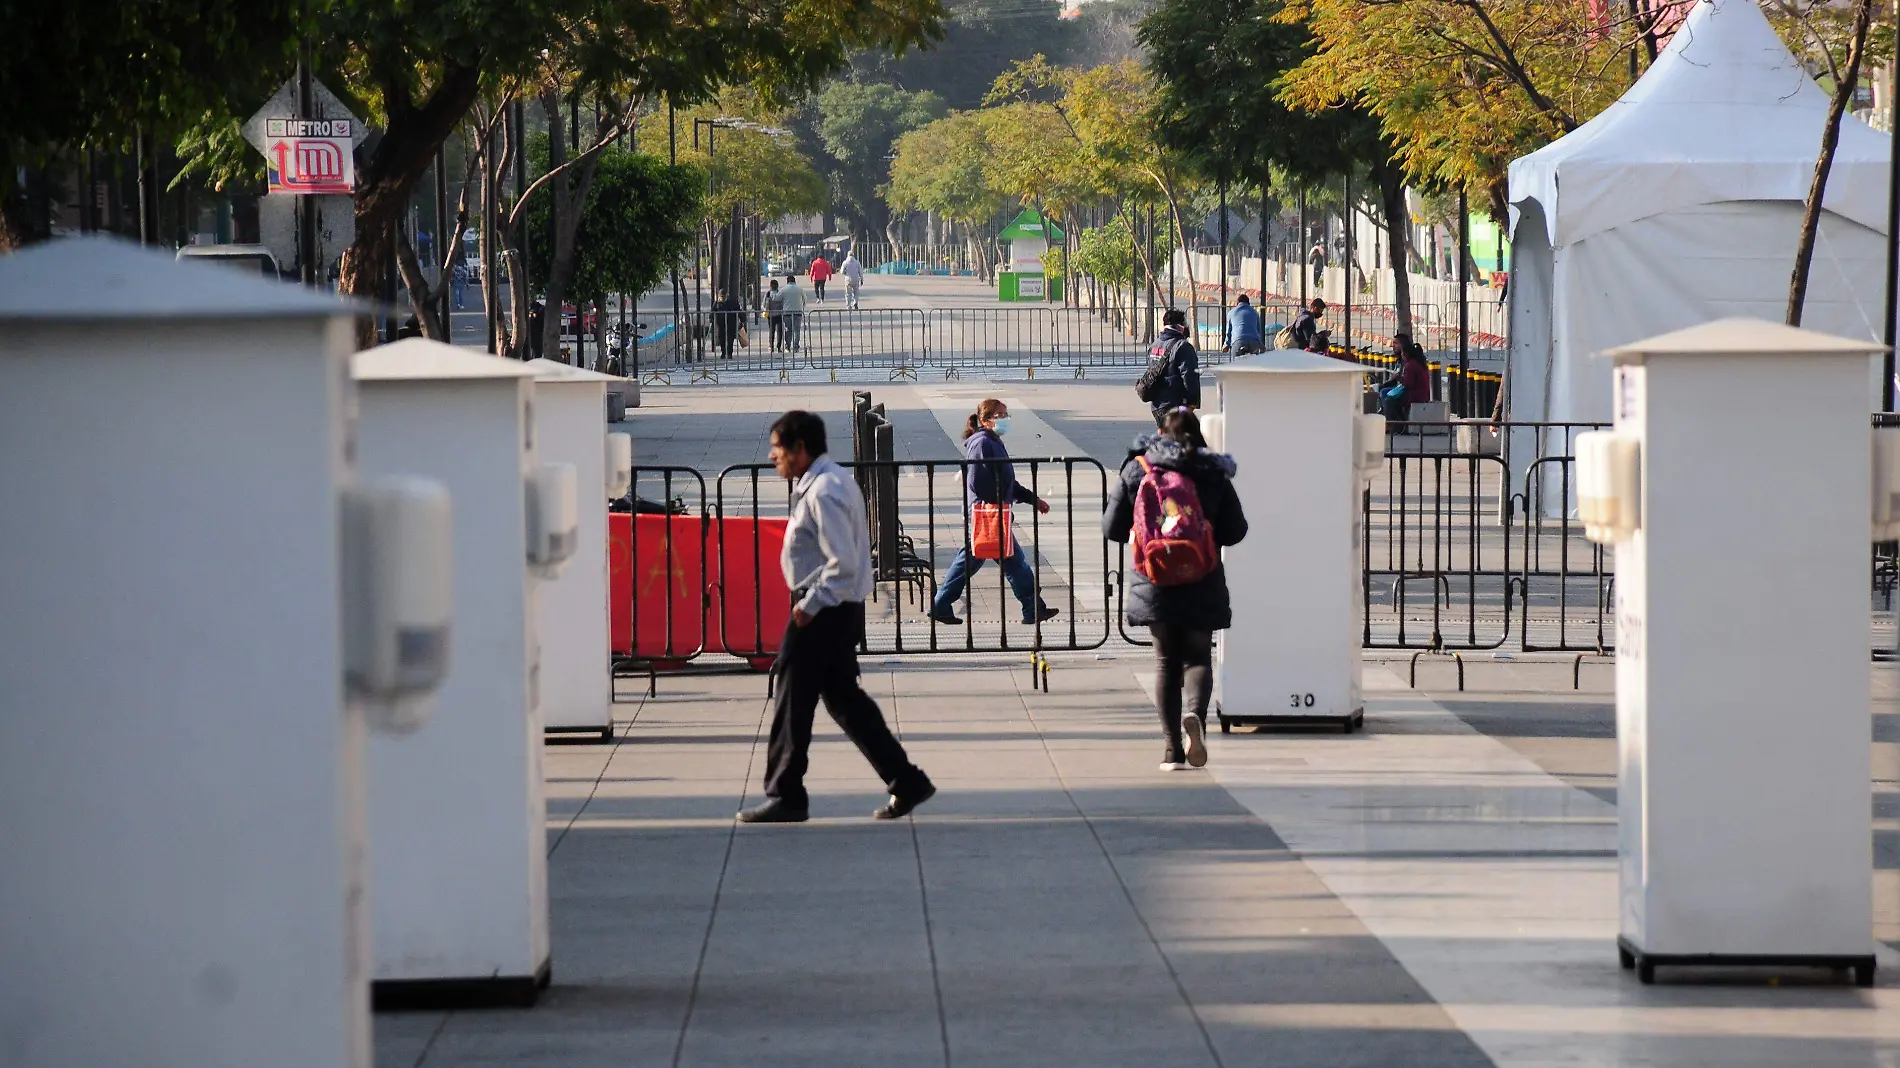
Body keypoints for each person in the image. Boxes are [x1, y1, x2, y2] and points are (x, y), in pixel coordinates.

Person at [738, 411, 937, 824]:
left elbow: (842, 562)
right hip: (836, 609)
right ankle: (907, 780)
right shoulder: (826, 482)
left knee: (793, 700)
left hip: (823, 610)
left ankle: (786, 793)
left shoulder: (824, 490)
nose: (772, 455)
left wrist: (807, 607)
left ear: (800, 449)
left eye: (778, 448)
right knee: (846, 702)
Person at [1103, 407, 1248, 771]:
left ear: (1160, 432)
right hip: (1202, 576)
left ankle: (1172, 751)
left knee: (1166, 663)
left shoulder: (1139, 469)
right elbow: (1236, 530)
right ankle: (1196, 716)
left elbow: (1112, 529)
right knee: (1198, 657)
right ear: (1200, 435)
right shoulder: (1213, 472)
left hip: (1155, 578)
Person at [927, 399, 1060, 627]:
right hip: (986, 516)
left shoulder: (992, 441)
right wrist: (996, 506)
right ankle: (1032, 608)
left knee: (983, 560)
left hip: (990, 514)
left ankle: (1032, 608)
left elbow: (1007, 482)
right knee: (1005, 562)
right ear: (984, 420)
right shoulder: (982, 444)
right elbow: (978, 482)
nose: (1005, 419)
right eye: (1000, 415)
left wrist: (1032, 499)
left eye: (1006, 415)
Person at [1144, 308, 1200, 426]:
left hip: (1157, 405)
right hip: (1174, 404)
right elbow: (1189, 375)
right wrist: (1193, 401)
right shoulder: (1183, 346)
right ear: (1180, 326)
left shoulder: (1155, 345)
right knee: (1179, 440)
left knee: (1166, 439)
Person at [1380, 334, 1434, 421]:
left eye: (1396, 343)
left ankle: (1394, 423)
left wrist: (1397, 378)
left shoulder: (1410, 365)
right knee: (1386, 394)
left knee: (1389, 400)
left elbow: (1408, 384)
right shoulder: (1415, 362)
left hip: (1415, 395)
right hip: (1416, 392)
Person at [712, 288, 743, 360]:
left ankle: (729, 353)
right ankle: (723, 352)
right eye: (721, 297)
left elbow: (739, 310)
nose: (722, 298)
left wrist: (742, 319)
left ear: (727, 296)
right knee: (721, 338)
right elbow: (713, 311)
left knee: (730, 338)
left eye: (724, 297)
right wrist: (711, 318)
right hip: (721, 323)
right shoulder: (717, 303)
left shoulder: (732, 302)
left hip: (731, 323)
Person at [780, 273, 807, 352]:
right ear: (795, 281)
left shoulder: (784, 289)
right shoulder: (800, 289)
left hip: (787, 312)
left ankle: (787, 346)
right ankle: (796, 347)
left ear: (787, 281)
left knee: (788, 330)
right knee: (797, 330)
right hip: (798, 312)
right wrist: (802, 307)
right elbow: (805, 299)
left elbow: (777, 298)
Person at [765, 278, 785, 352]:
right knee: (779, 331)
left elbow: (764, 304)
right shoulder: (780, 294)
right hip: (779, 315)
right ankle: (779, 347)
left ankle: (771, 346)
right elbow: (783, 303)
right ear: (777, 286)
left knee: (771, 331)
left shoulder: (768, 294)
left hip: (771, 316)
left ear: (770, 286)